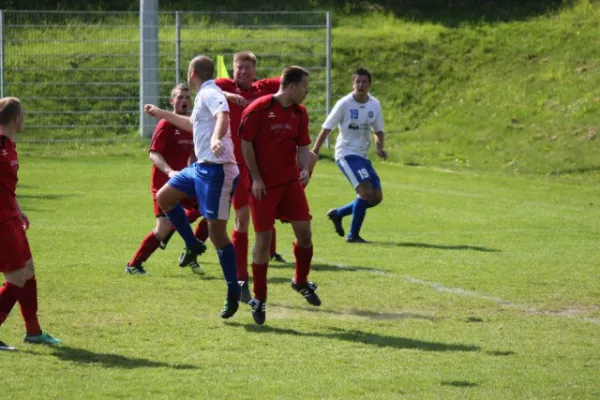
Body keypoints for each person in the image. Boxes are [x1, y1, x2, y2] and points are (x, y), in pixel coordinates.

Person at [144, 56, 240, 319]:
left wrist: (217, 137)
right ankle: (193, 244)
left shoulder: (209, 92)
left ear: (192, 72)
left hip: (218, 170)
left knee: (217, 233)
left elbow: (223, 115)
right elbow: (191, 124)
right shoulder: (203, 95)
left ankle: (233, 289)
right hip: (201, 168)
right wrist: (160, 113)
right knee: (165, 197)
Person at [239, 66, 321, 325]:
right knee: (263, 242)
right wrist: (257, 178)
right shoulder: (259, 108)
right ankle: (259, 297)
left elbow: (303, 145)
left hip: (289, 183)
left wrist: (303, 170)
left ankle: (300, 280)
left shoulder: (300, 112)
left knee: (305, 234)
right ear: (292, 86)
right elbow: (246, 144)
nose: (307, 91)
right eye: (305, 86)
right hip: (263, 186)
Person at [215, 51, 287, 303]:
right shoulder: (224, 86)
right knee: (241, 220)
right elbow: (202, 92)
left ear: (254, 70)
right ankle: (241, 278)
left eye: (247, 67)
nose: (242, 71)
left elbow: (292, 80)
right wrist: (228, 96)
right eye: (238, 67)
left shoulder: (264, 88)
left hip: (261, 167)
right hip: (235, 166)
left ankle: (257, 277)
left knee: (262, 224)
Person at [126, 84, 209, 275]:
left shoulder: (191, 124)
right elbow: (153, 154)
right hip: (163, 184)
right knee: (163, 228)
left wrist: (194, 170)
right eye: (179, 97)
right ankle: (134, 265)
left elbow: (193, 154)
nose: (184, 101)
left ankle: (190, 251)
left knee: (210, 209)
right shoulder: (166, 124)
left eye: (187, 98)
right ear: (172, 101)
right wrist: (170, 171)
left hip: (183, 182)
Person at [0, 97, 61, 350]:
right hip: (1, 221)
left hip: (10, 216)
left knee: (28, 269)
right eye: (22, 114)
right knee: (15, 277)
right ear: (16, 119)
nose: (24, 118)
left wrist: (19, 209)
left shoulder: (10, 146)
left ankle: (33, 331)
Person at [312, 68, 387, 243]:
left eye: (364, 82)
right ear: (353, 83)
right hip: (346, 154)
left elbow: (378, 130)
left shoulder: (374, 104)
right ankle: (353, 235)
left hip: (362, 156)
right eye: (357, 82)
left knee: (376, 197)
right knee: (365, 192)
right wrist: (315, 151)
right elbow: (327, 128)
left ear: (370, 84)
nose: (361, 85)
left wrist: (379, 147)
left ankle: (338, 214)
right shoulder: (344, 103)